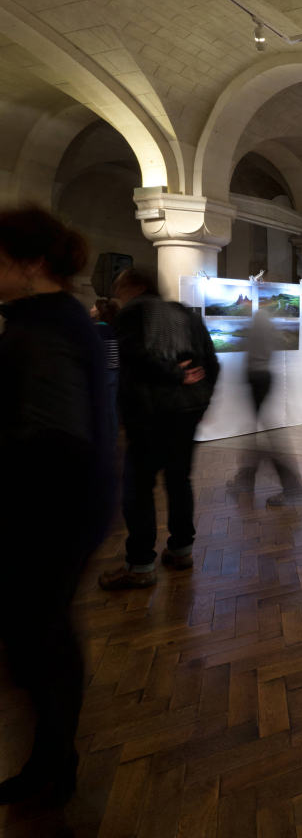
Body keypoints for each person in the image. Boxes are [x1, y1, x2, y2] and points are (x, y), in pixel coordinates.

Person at [0, 206, 114, 806]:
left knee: (40, 635)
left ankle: (52, 763)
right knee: (40, 633)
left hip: (51, 510)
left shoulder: (46, 329)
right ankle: (52, 759)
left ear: (30, 263)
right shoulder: (54, 321)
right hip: (63, 504)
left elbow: (54, 439)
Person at [98, 267, 219, 589]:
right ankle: (181, 550)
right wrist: (201, 403)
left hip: (149, 414)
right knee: (179, 481)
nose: (117, 295)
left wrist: (174, 375)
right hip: (185, 413)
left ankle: (140, 565)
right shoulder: (185, 314)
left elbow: (135, 358)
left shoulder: (132, 314)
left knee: (138, 487)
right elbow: (211, 363)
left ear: (135, 286)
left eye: (119, 288)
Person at [231, 307, 302, 506]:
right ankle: (245, 481)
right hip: (262, 379)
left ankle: (292, 489)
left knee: (267, 438)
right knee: (257, 436)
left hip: (257, 380)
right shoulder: (268, 326)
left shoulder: (257, 324)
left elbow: (249, 352)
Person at [90, 296, 120, 440]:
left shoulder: (96, 329)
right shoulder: (113, 328)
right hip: (115, 372)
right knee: (111, 408)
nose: (91, 309)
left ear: (99, 311)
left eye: (93, 307)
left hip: (103, 373)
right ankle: (112, 439)